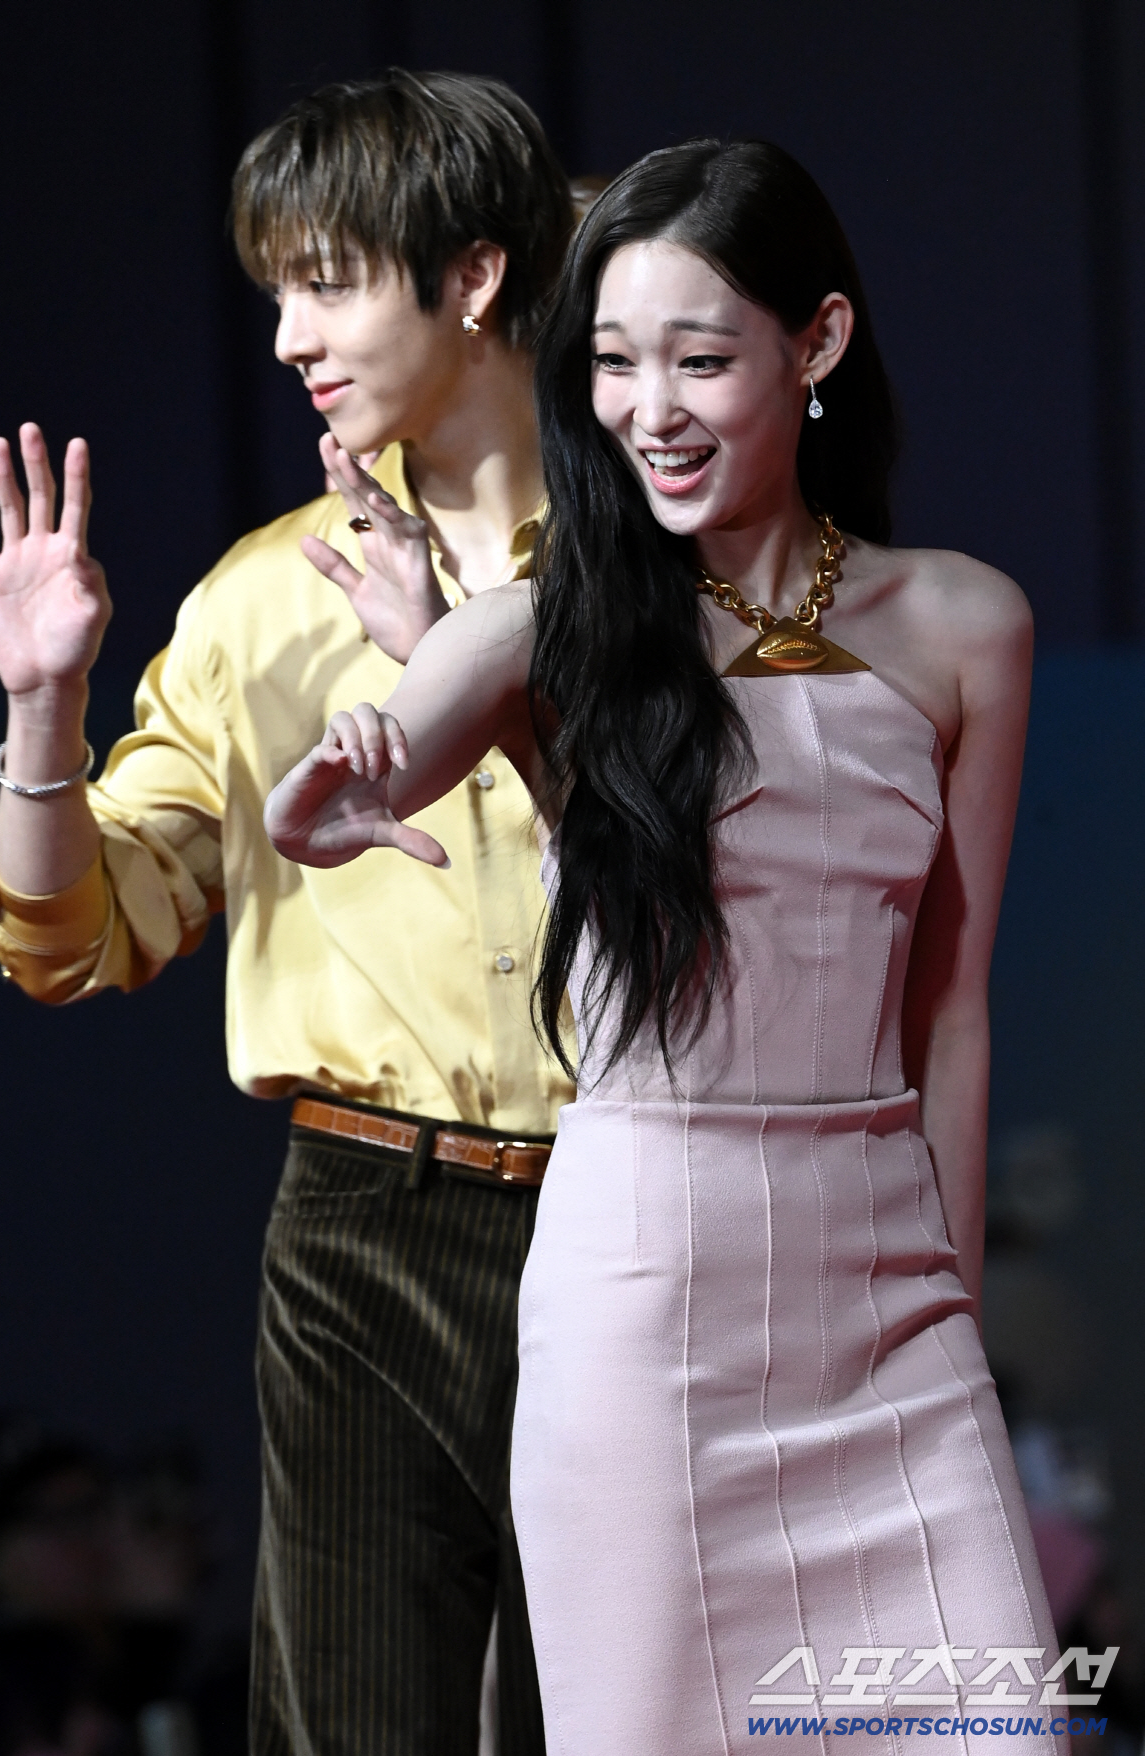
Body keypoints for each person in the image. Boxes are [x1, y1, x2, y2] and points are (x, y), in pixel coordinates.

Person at [262, 139, 1067, 1753]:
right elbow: (398, 739)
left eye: (699, 359)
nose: (652, 409)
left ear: (815, 343)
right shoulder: (551, 631)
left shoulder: (968, 625)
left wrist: (958, 1331)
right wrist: (353, 773)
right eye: (614, 363)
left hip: (894, 1321)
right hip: (647, 1305)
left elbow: (954, 1016)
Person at [0, 71, 575, 1756]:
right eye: (276, 294)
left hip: (637, 1208)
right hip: (367, 1233)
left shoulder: (659, 575)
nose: (293, 338)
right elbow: (74, 938)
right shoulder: (257, 601)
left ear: (472, 276)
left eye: (331, 283)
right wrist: (43, 706)